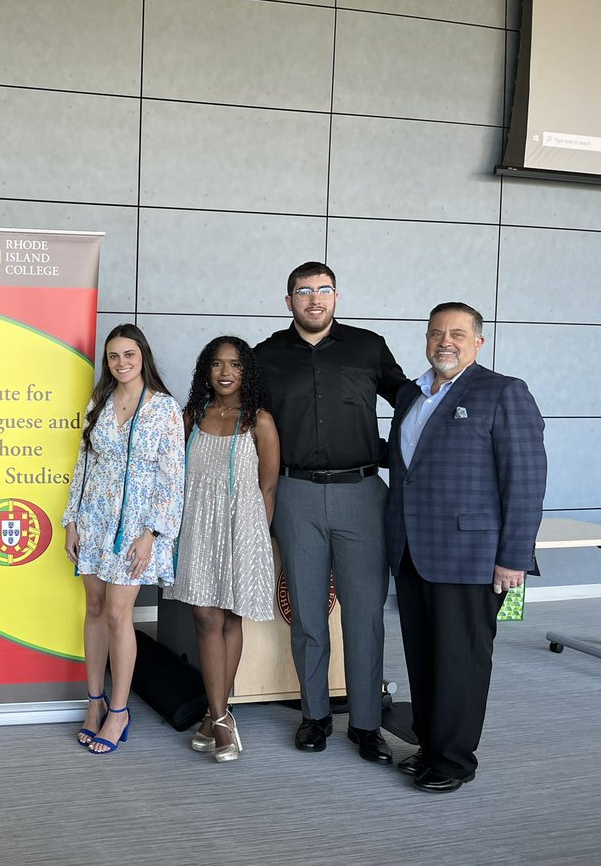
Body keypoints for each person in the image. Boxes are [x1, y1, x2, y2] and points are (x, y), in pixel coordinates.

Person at [386, 302, 545, 793]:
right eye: (436, 333)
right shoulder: (414, 394)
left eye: (457, 333)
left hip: (471, 555)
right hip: (413, 549)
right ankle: (430, 747)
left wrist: (513, 558)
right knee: (426, 656)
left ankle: (453, 761)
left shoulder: (503, 392)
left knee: (461, 661)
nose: (445, 342)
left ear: (479, 340)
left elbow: (526, 479)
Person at [255, 262, 407, 763]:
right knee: (307, 613)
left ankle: (365, 725)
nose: (314, 299)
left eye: (323, 290)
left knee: (365, 616)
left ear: (337, 297)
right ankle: (315, 715)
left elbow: (412, 405)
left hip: (362, 495)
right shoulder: (265, 357)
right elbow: (237, 422)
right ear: (289, 300)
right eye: (303, 291)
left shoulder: (368, 347)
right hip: (296, 495)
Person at [63, 324, 185, 755]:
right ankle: (94, 703)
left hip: (135, 528)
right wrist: (71, 520)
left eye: (129, 354)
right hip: (93, 518)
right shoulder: (98, 401)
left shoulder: (164, 409)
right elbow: (83, 464)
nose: (121, 363)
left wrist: (152, 533)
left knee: (118, 615)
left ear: (143, 356)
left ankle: (119, 710)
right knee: (94, 609)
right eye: (113, 356)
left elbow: (172, 477)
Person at [163, 337, 279, 762]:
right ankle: (221, 715)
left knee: (231, 617)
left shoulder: (259, 421)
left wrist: (256, 537)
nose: (225, 372)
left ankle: (217, 717)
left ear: (246, 371)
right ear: (205, 372)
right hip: (197, 527)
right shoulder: (191, 416)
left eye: (234, 364)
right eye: (216, 364)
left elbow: (268, 485)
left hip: (243, 528)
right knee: (205, 615)